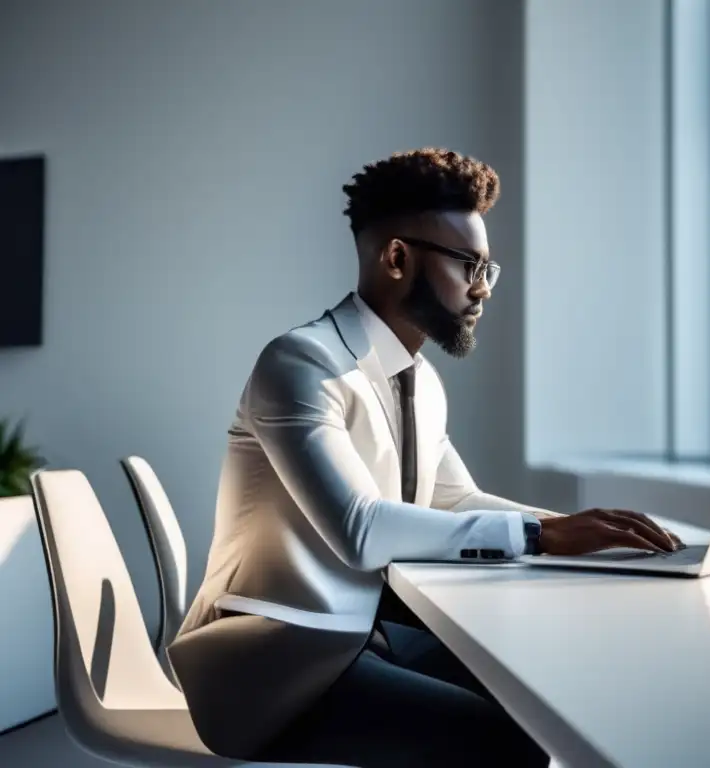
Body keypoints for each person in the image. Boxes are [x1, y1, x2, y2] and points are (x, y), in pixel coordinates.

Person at [169, 148, 681, 766]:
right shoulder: (302, 364)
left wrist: (586, 530)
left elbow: (453, 499)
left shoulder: (419, 378)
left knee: (545, 697)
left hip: (361, 637)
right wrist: (543, 536)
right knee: (504, 741)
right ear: (396, 257)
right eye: (469, 265)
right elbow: (359, 531)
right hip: (270, 664)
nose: (482, 289)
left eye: (489, 269)